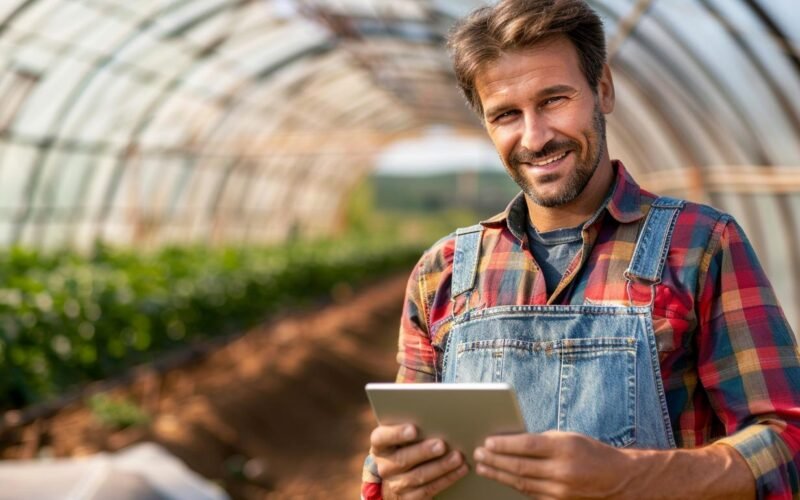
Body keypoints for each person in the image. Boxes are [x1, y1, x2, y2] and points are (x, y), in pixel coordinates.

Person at [362, 0, 800, 499]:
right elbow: (394, 465)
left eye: (554, 100)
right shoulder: (441, 273)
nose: (535, 136)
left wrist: (630, 476)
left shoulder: (700, 246)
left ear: (603, 90)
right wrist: (395, 477)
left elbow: (787, 440)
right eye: (506, 114)